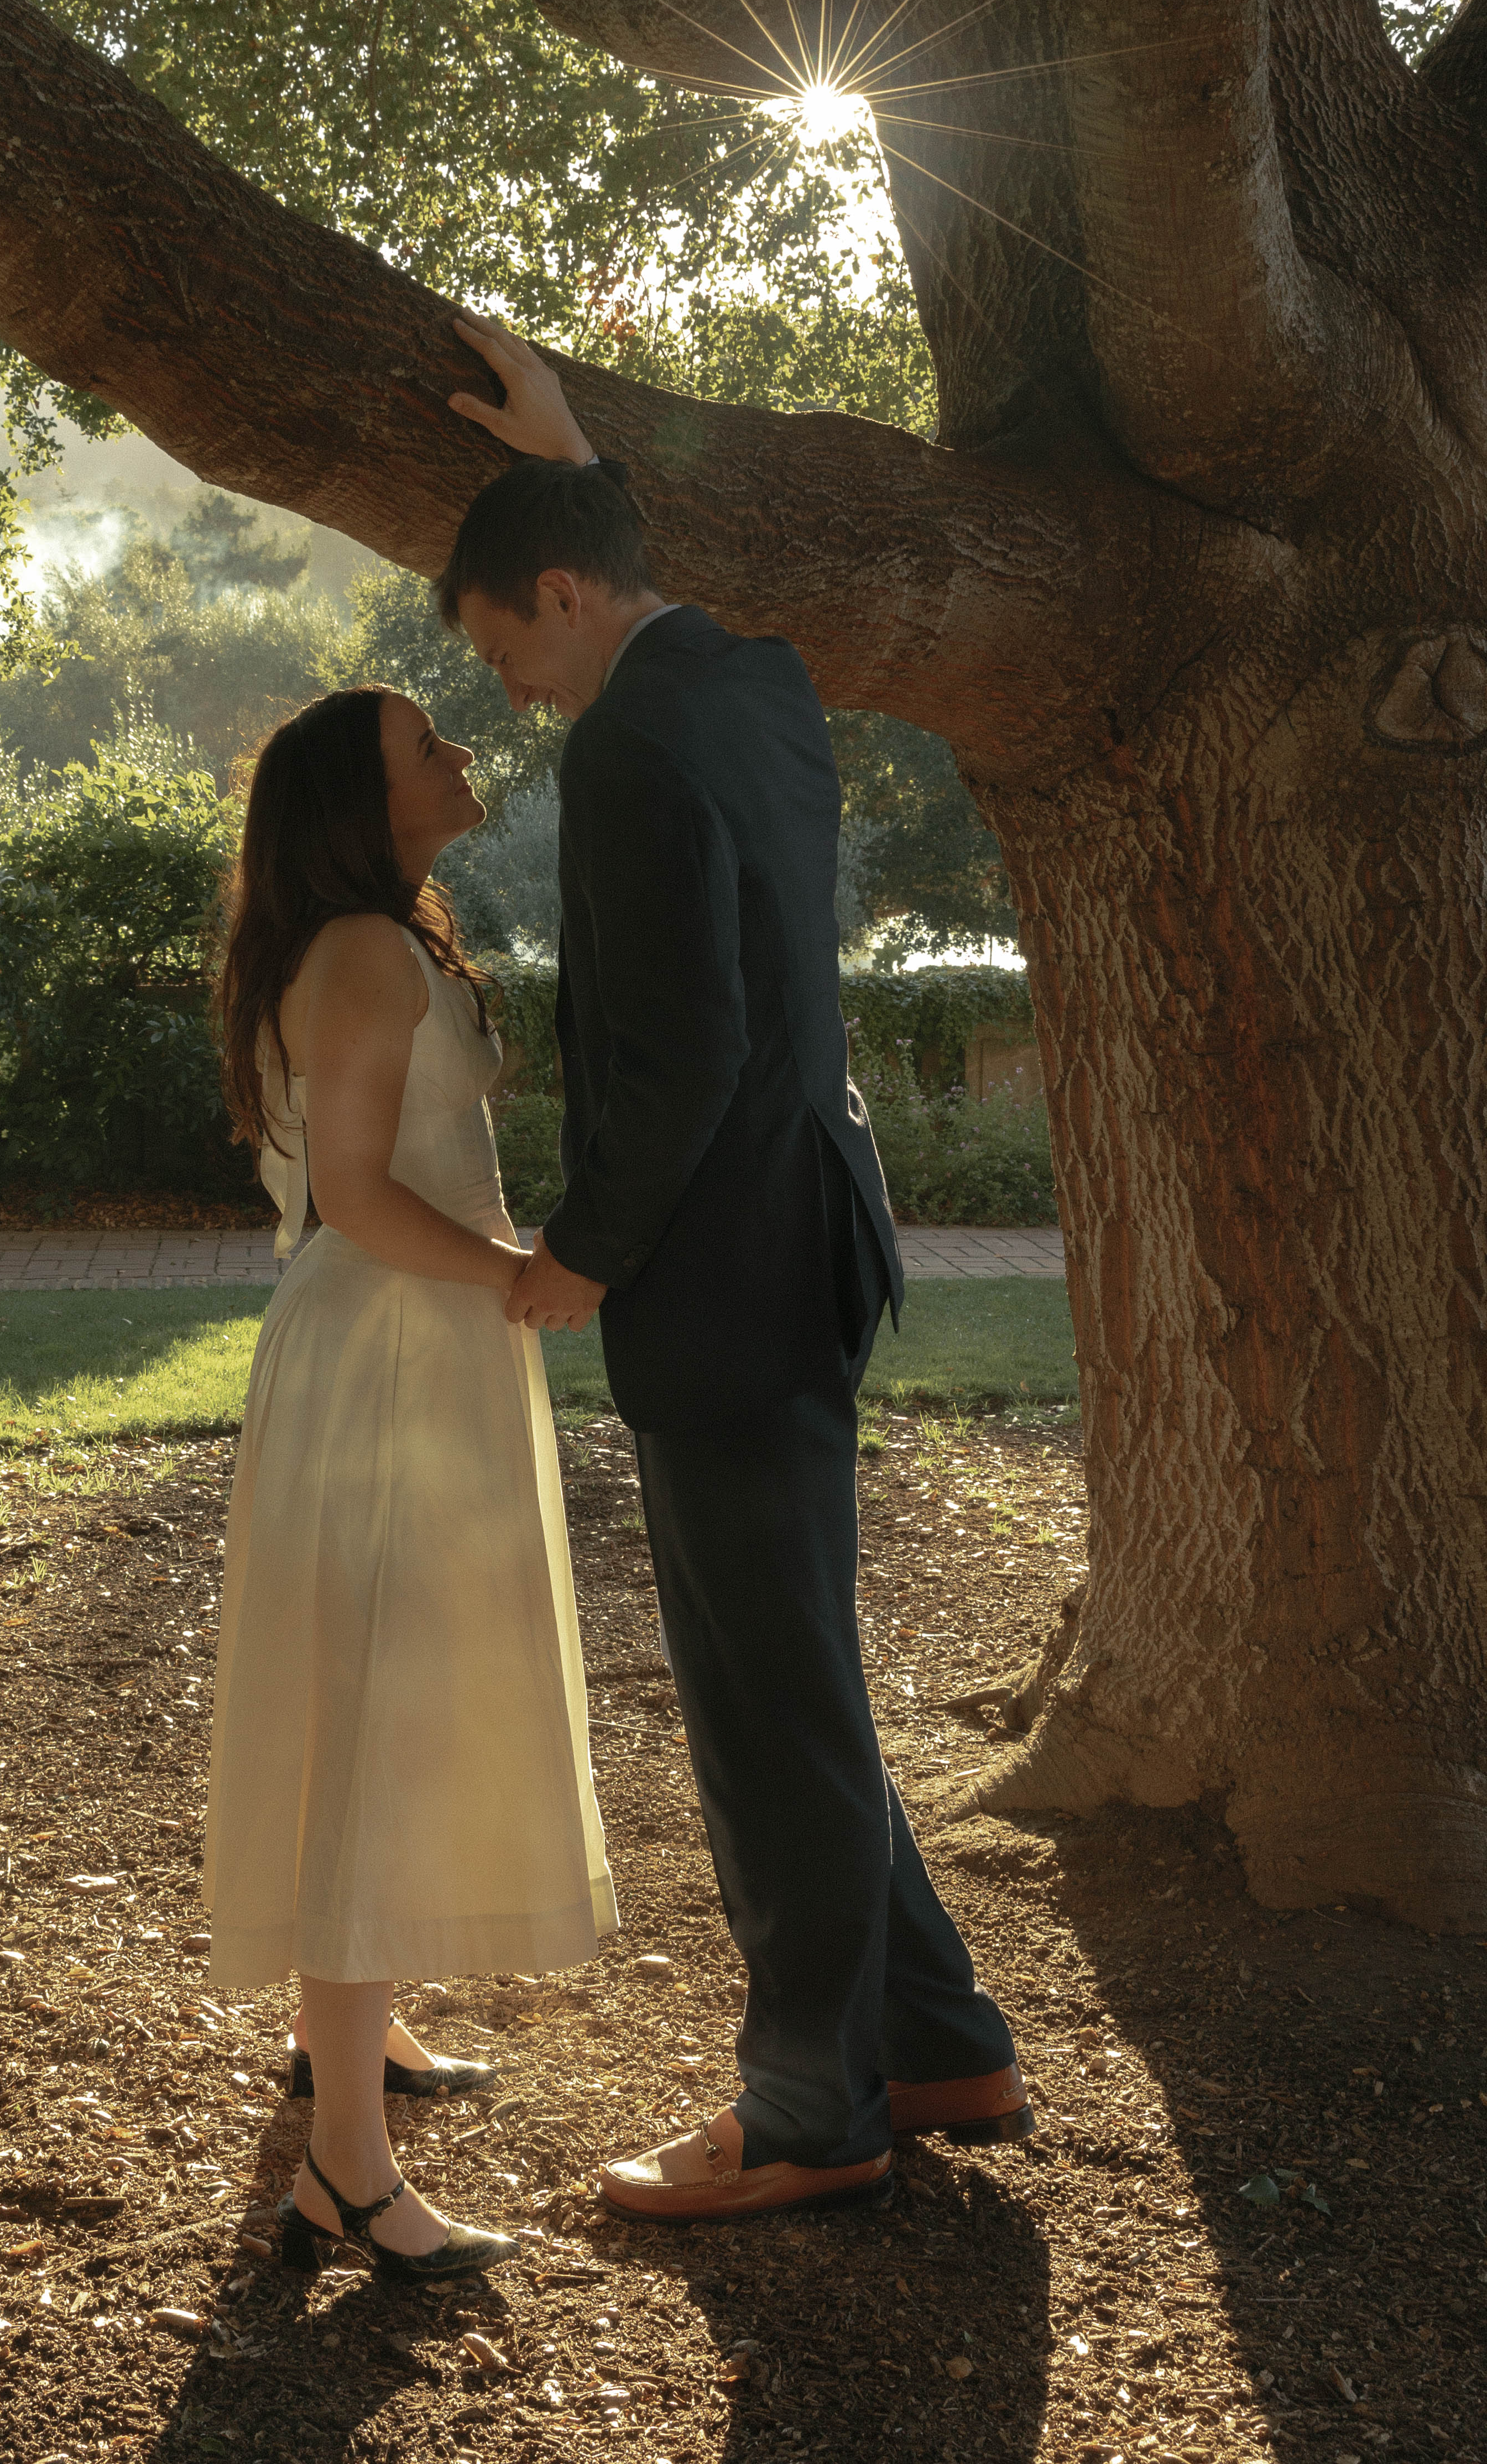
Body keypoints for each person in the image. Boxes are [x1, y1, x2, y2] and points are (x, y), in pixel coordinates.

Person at [431, 312, 1030, 2226]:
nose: (514, 694)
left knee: (767, 1703)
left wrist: (575, 1258)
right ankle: (937, 2040)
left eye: (505, 645)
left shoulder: (624, 747)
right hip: (815, 1245)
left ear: (557, 596)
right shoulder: (756, 688)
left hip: (712, 1274)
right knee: (804, 1677)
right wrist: (576, 443)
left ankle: (809, 2116)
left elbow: (681, 1048)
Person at [205, 682, 617, 2282]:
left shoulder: (374, 938)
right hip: (390, 1352)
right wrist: (521, 1273)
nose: (460, 756)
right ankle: (348, 2174)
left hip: (400, 1354)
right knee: (378, 1710)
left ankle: (355, 2047)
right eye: (425, 747)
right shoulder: (365, 953)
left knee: (389, 1701)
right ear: (356, 804)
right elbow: (363, 1198)